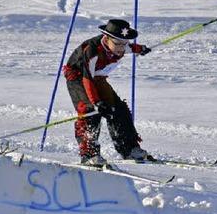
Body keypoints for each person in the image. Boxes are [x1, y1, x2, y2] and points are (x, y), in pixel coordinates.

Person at [63, 19, 152, 166]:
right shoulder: (92, 51)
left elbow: (130, 48)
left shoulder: (120, 46)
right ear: (106, 38)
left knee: (118, 109)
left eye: (124, 43)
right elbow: (87, 80)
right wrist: (96, 102)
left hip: (97, 77)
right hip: (79, 78)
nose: (121, 48)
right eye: (117, 43)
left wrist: (140, 49)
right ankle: (89, 154)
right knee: (91, 111)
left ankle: (129, 149)